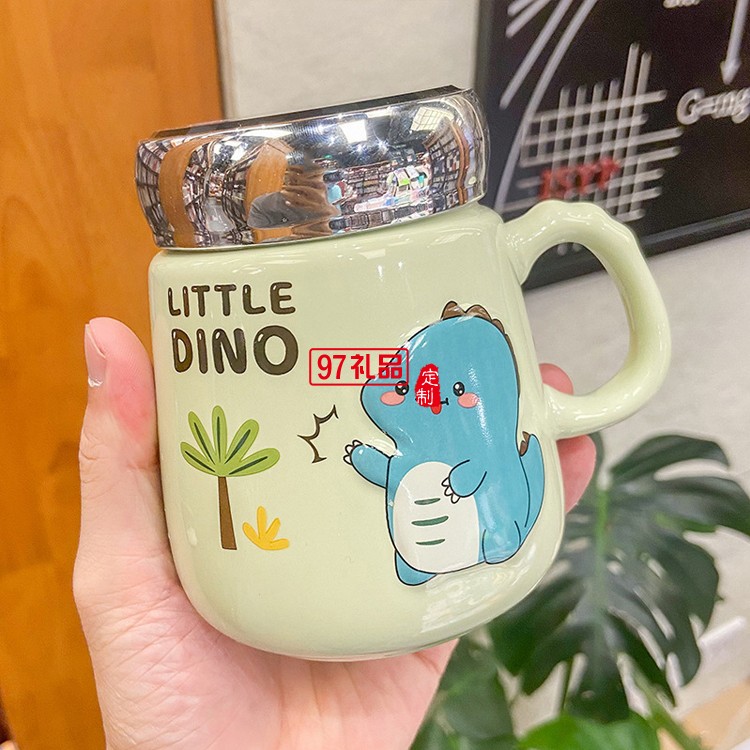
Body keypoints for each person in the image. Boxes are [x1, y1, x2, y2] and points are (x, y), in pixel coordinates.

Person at [75, 317, 596, 750]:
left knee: (499, 522)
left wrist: (465, 479)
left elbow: (461, 464)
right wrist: (369, 459)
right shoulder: (409, 445)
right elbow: (392, 469)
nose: (399, 395)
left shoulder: (474, 439)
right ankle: (416, 563)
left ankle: (495, 537)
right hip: (293, 652)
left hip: (474, 529)